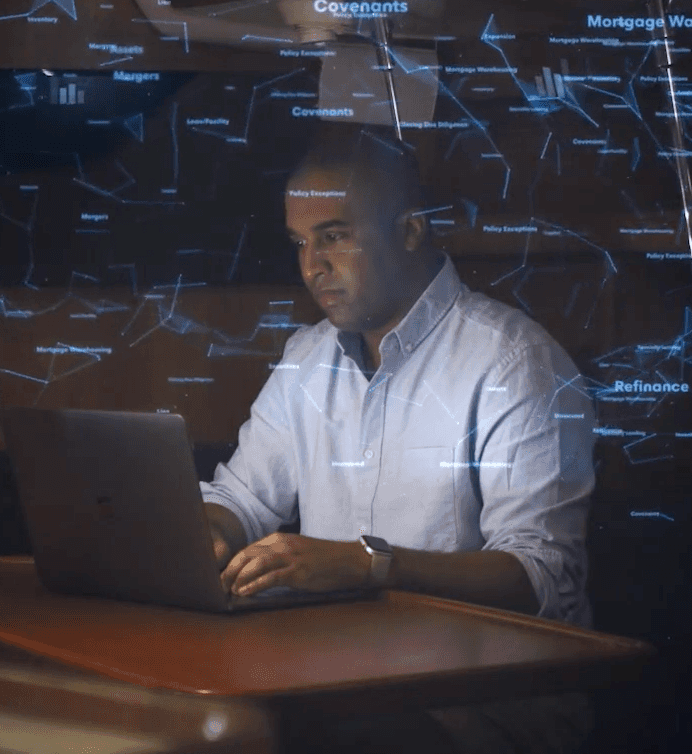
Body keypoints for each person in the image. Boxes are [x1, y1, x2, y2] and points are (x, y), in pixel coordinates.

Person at [200, 124, 596, 754]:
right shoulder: (305, 360)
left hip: (473, 715)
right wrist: (212, 530)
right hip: (342, 681)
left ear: (411, 230)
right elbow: (244, 498)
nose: (311, 267)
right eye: (300, 243)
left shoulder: (515, 362)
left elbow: (540, 577)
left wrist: (364, 566)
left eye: (334, 236)